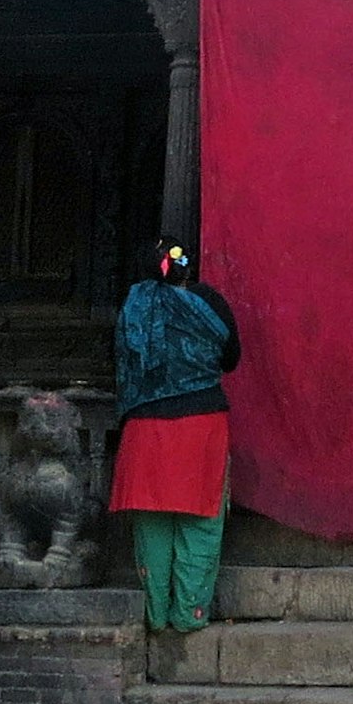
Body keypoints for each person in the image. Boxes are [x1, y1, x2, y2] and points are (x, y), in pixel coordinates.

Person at [110, 243, 239, 636]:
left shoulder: (135, 307)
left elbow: (119, 359)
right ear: (188, 269)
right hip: (201, 425)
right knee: (200, 521)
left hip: (146, 428)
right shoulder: (209, 301)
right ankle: (190, 615)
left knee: (153, 525)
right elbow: (232, 358)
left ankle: (156, 615)